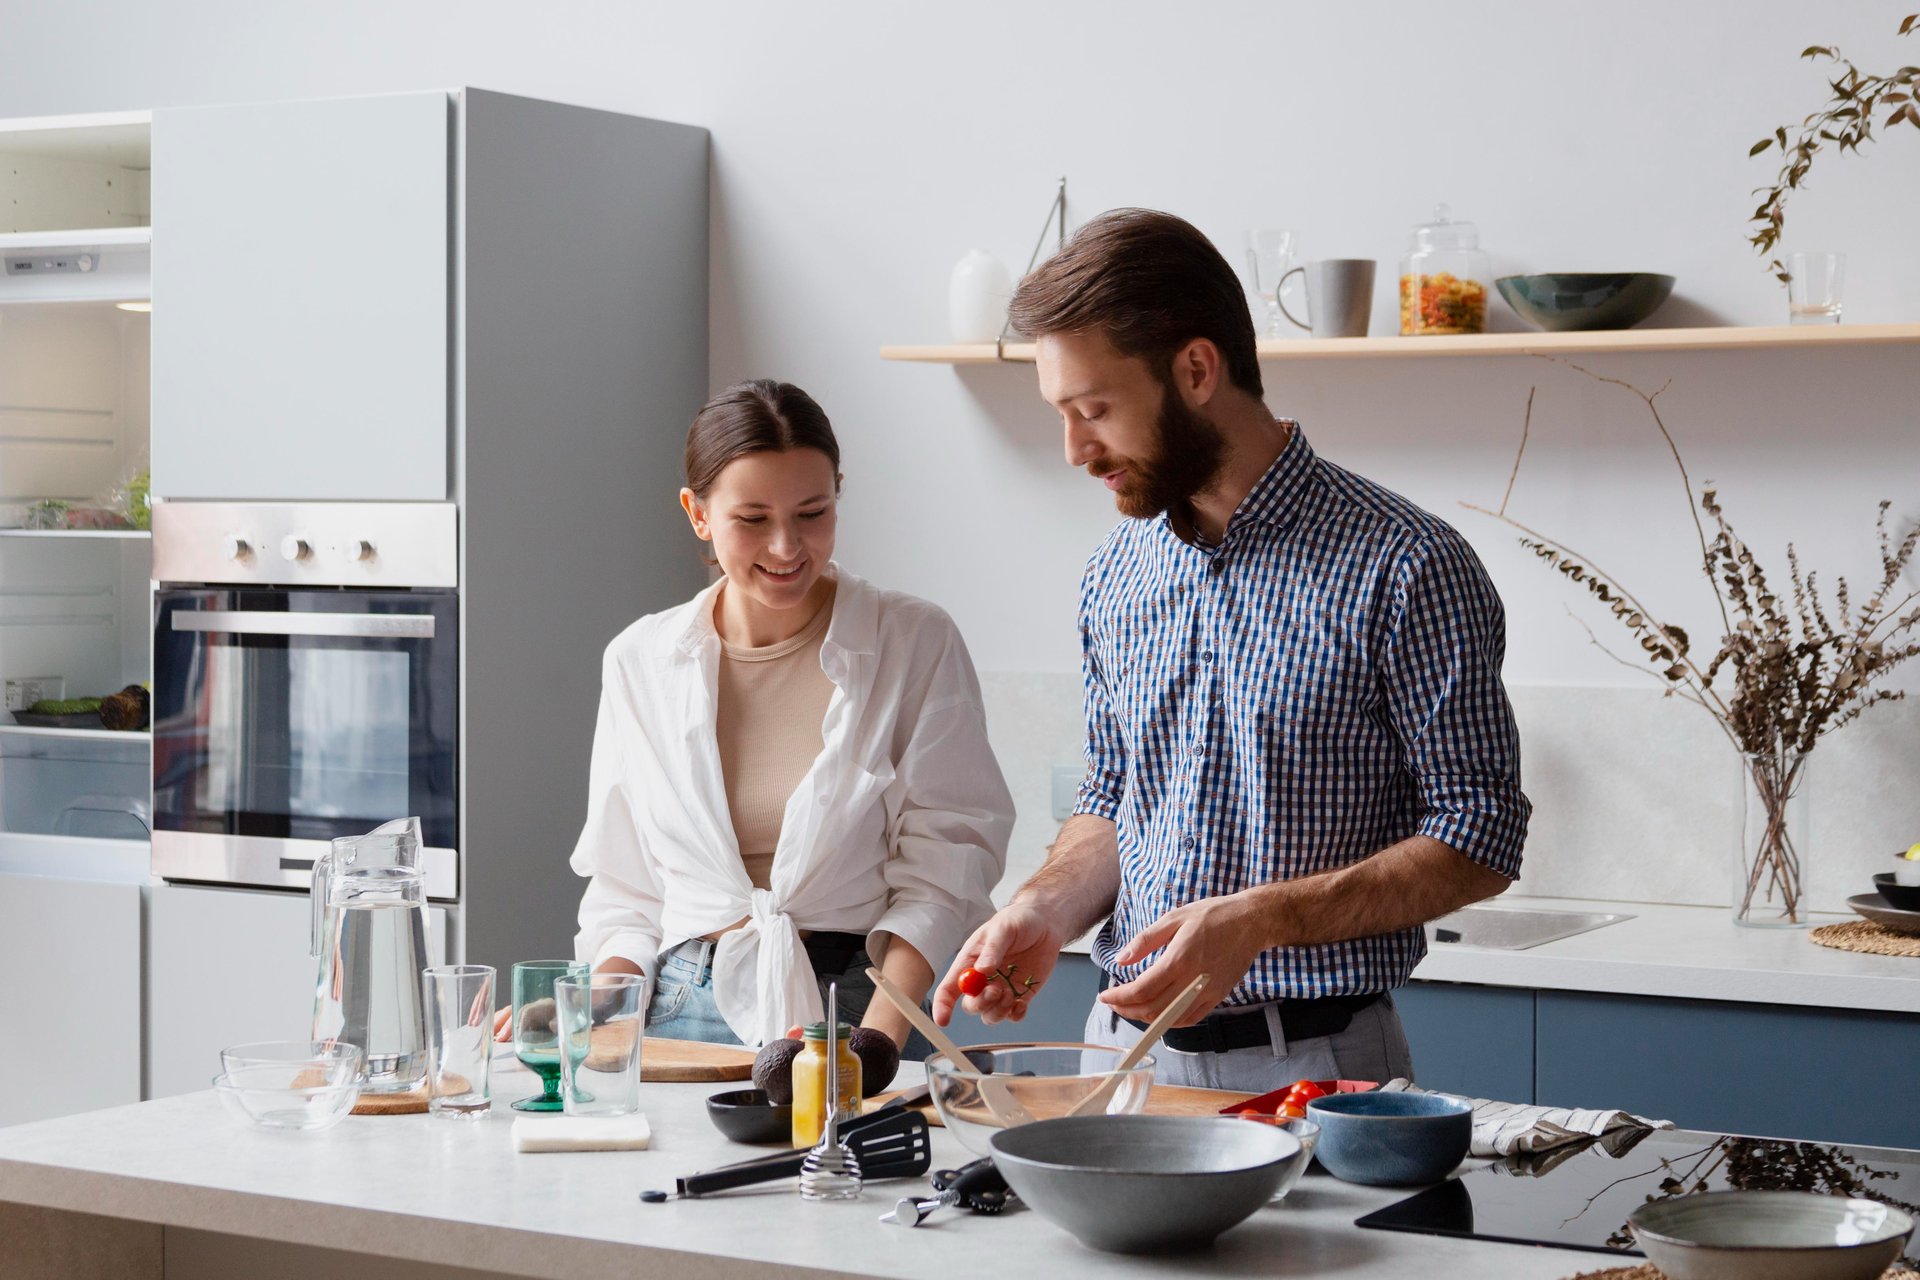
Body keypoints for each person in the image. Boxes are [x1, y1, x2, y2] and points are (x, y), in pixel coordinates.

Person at [932, 210, 1531, 1090]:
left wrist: (1262, 919)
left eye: (1094, 409)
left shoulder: (1407, 565)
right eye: (1061, 414)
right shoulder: (1116, 575)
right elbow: (1117, 795)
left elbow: (1480, 834)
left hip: (1317, 1067)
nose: (1073, 450)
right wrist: (1042, 909)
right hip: (1118, 1055)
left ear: (1197, 370)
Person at [521, 379, 1012, 1051]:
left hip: (861, 1009)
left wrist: (878, 1046)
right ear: (698, 513)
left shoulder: (912, 642)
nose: (787, 547)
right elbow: (627, 887)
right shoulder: (640, 660)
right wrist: (587, 1010)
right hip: (681, 1007)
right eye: (753, 520)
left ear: (838, 491)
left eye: (813, 512)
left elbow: (946, 870)